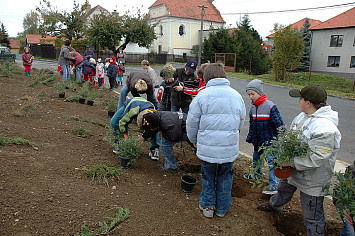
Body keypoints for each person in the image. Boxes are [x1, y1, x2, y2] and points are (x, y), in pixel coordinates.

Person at [257, 84, 341, 236]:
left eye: (300, 98)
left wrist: (291, 162)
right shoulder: (303, 116)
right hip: (294, 170)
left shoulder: (325, 128)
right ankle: (275, 206)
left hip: (313, 179)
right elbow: (291, 138)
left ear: (308, 102)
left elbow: (317, 158)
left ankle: (315, 233)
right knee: (283, 189)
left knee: (312, 213)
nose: (299, 101)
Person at [186, 62, 246, 218]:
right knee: (225, 177)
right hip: (228, 147)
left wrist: (193, 140)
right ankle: (222, 209)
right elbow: (240, 121)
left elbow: (192, 122)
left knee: (207, 176)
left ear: (206, 77)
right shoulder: (236, 96)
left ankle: (208, 206)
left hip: (207, 147)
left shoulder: (202, 96)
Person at [244, 79, 285, 195]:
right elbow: (252, 125)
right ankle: (256, 175)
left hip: (270, 142)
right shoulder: (253, 108)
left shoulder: (270, 107)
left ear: (260, 93)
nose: (251, 97)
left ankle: (274, 184)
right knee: (256, 159)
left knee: (272, 162)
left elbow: (279, 124)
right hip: (258, 141)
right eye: (249, 95)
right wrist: (250, 137)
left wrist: (280, 139)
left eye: (253, 94)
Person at [333, 161, 355, 236]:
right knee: (351, 233)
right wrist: (345, 210)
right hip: (349, 211)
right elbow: (338, 194)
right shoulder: (352, 171)